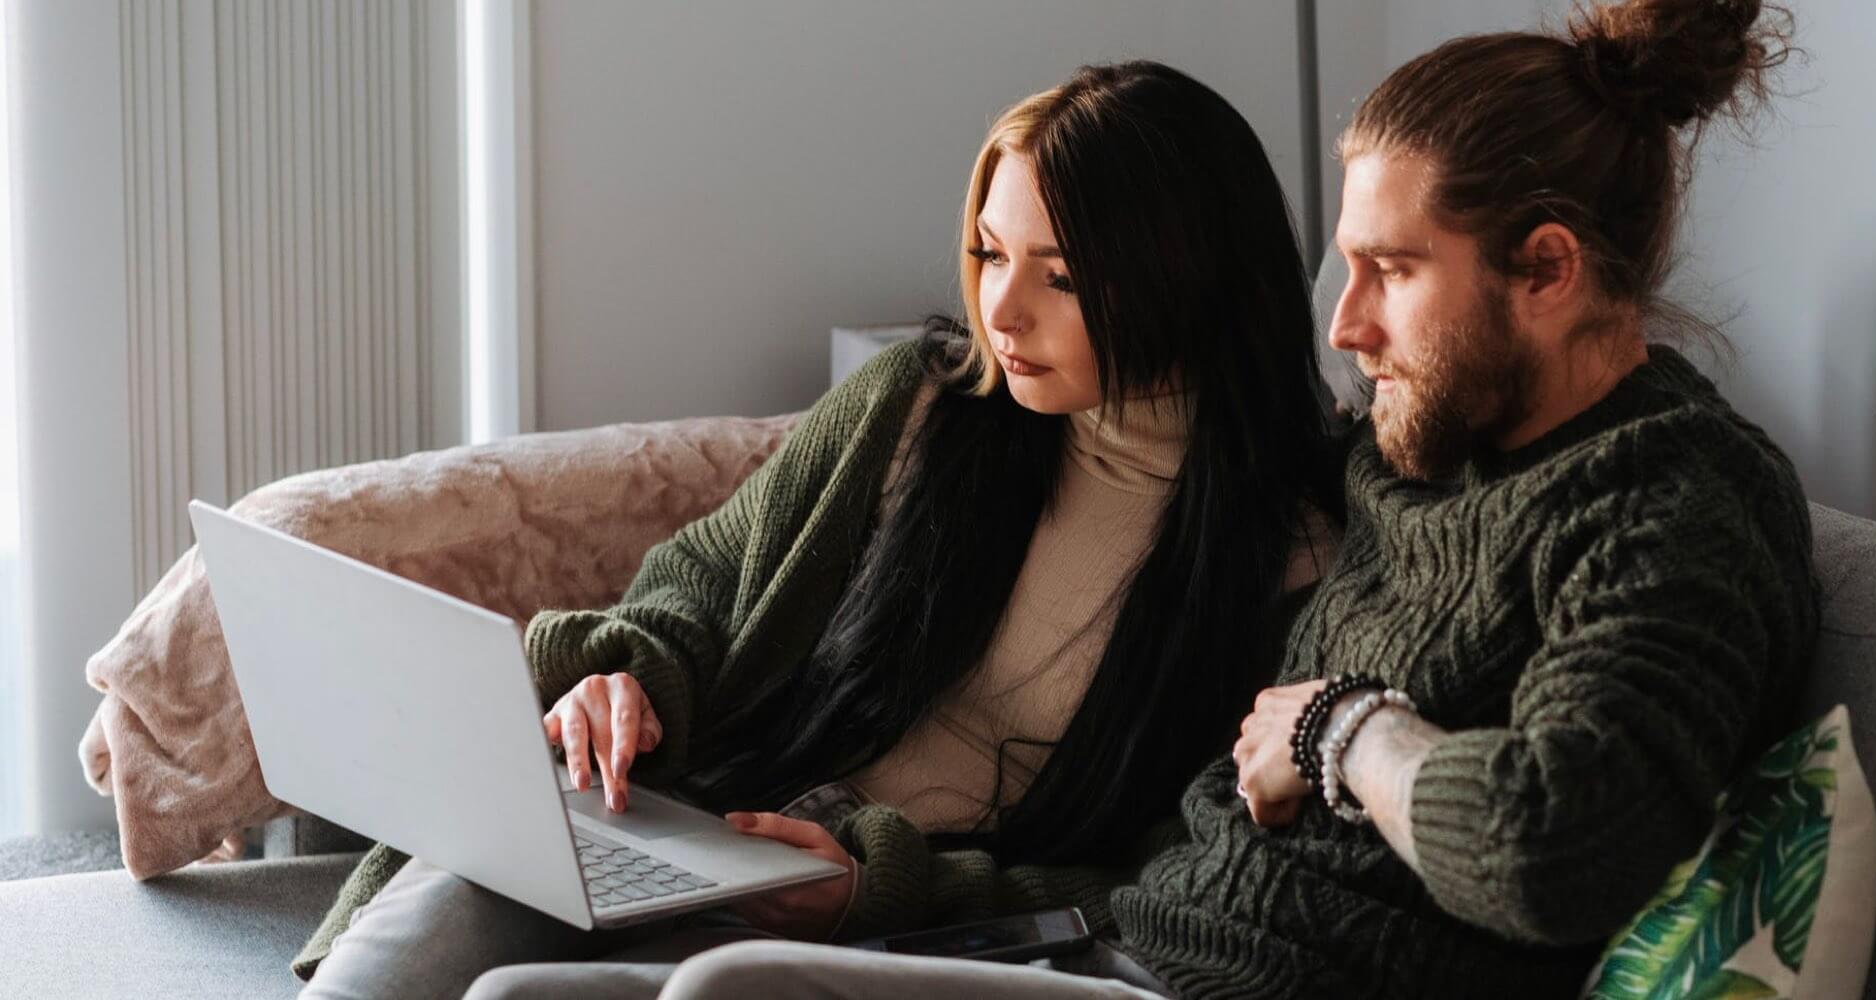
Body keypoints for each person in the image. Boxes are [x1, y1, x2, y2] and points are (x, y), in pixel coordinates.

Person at [646, 0, 1819, 996]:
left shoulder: (1668, 504)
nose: (1346, 324)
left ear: (1549, 270)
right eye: (1344, 266)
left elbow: (1553, 848)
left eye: (1393, 273)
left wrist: (1338, 728)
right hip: (1113, 954)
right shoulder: (1423, 456)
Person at [294, 59, 1337, 1000]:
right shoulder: (918, 407)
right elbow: (701, 577)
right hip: (705, 820)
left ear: (1191, 277)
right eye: (988, 252)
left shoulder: (1288, 558)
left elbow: (1171, 875)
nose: (1001, 309)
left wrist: (874, 890)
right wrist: (627, 682)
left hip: (903, 933)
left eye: (1058, 276)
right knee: (461, 895)